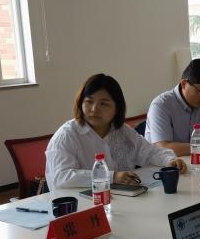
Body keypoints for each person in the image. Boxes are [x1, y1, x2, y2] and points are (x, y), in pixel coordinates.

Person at [45, 74, 185, 190]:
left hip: (119, 199)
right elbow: (61, 177)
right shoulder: (66, 136)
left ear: (117, 108)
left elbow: (149, 152)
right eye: (89, 102)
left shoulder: (122, 131)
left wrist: (170, 160)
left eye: (103, 103)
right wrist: (112, 177)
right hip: (80, 205)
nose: (94, 109)